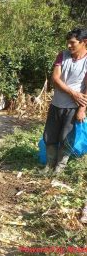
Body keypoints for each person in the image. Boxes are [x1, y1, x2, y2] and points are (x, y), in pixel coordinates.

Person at [43, 28, 87, 176]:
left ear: (84, 42)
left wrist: (82, 109)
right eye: (68, 42)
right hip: (57, 104)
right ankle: (49, 165)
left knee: (66, 138)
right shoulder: (62, 56)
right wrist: (73, 93)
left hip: (73, 108)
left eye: (72, 43)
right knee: (49, 136)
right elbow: (55, 79)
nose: (69, 46)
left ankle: (59, 169)